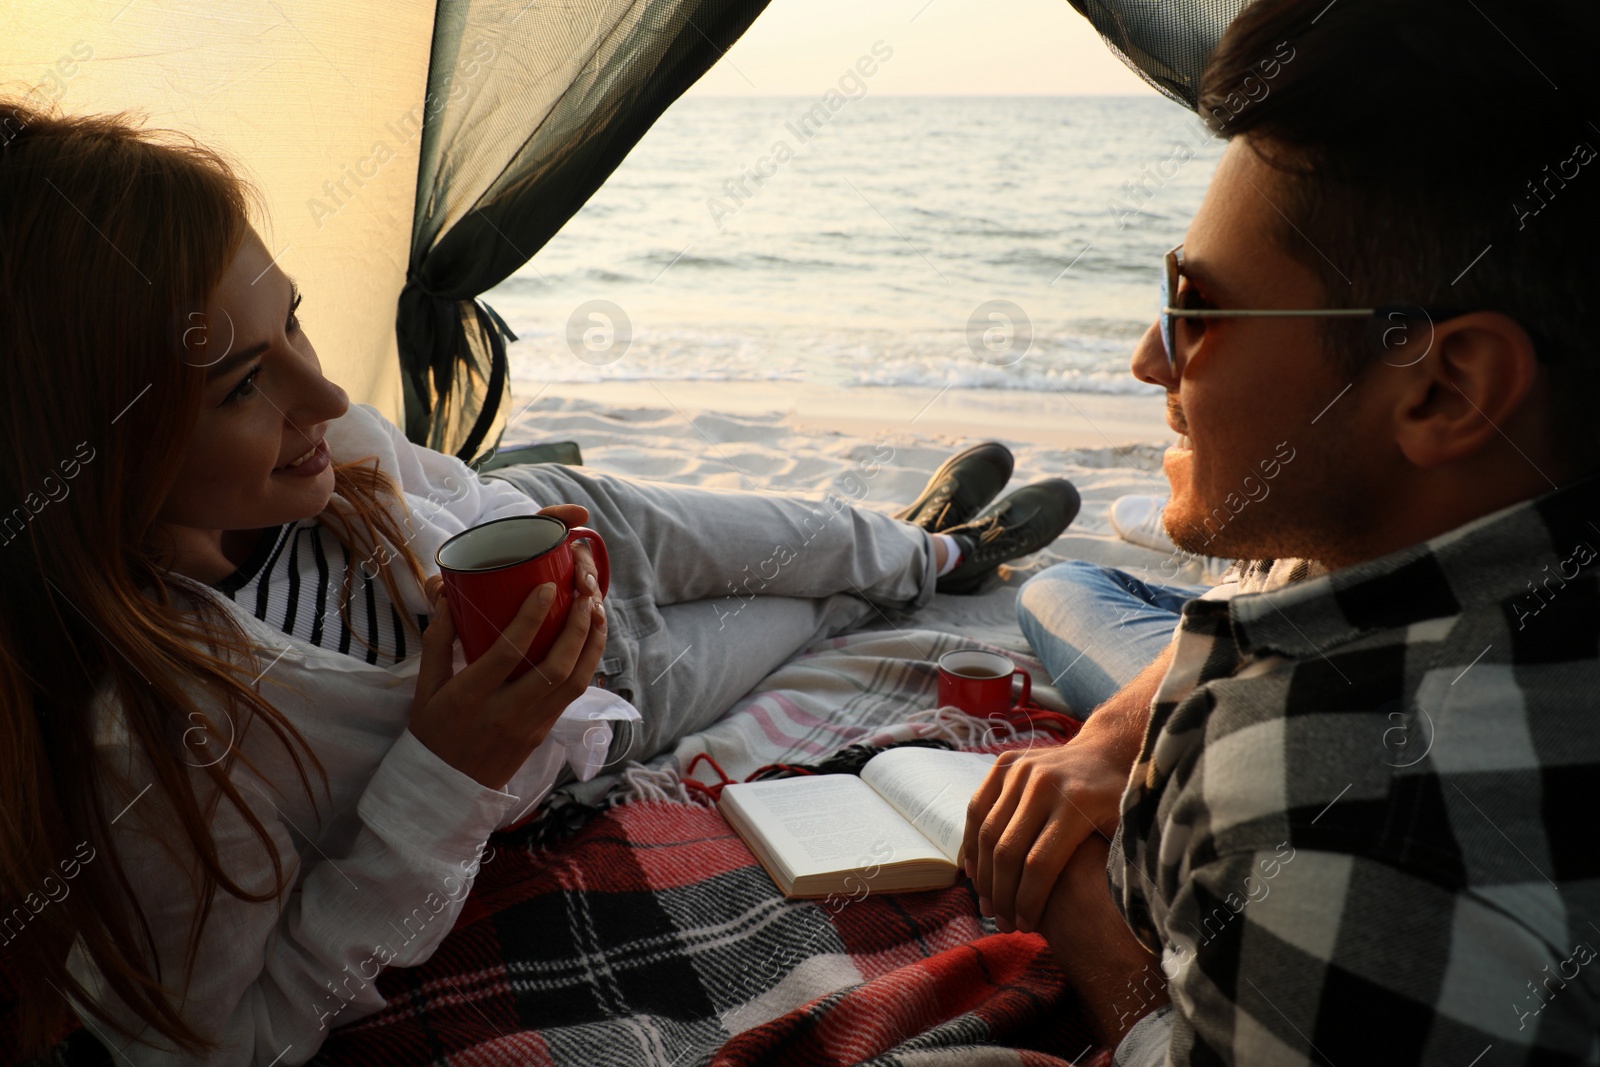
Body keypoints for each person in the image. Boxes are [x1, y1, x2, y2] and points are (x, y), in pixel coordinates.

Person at [0, 100, 1083, 1064]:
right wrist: (449, 773)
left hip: (566, 535)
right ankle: (911, 564)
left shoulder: (335, 451)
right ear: (89, 451)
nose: (323, 393)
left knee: (808, 535)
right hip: (591, 715)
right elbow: (232, 1038)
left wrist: (503, 524)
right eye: (243, 381)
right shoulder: (164, 744)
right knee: (802, 611)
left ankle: (941, 549)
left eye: (293, 317)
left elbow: (441, 482)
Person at [963, 0, 1600, 1061]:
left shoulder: (1339, 859)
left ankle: (948, 547)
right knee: (1059, 590)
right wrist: (1107, 745)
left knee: (1054, 594)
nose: (1148, 360)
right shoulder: (1497, 512)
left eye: (1195, 305)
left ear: (1442, 390)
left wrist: (1075, 896)